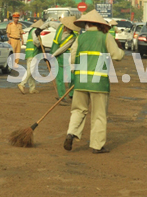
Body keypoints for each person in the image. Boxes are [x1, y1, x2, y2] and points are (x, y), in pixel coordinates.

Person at [63, 10, 124, 154]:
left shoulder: (80, 38)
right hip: (99, 83)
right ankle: (97, 146)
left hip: (81, 81)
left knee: (78, 110)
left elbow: (72, 59)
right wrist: (122, 51)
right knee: (99, 115)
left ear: (87, 24)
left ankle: (71, 133)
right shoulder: (105, 37)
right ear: (99, 24)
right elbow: (117, 55)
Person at [38, 16, 80, 103]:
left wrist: (51, 56)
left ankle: (71, 94)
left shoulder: (72, 37)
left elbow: (63, 48)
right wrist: (40, 29)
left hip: (66, 57)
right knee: (59, 78)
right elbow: (49, 23)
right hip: (56, 57)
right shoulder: (59, 27)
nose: (68, 28)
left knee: (71, 77)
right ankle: (62, 97)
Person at [17, 19, 45, 95]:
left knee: (32, 71)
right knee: (31, 70)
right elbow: (35, 41)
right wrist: (40, 45)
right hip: (33, 53)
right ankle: (22, 84)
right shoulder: (35, 31)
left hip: (30, 53)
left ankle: (32, 88)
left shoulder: (32, 30)